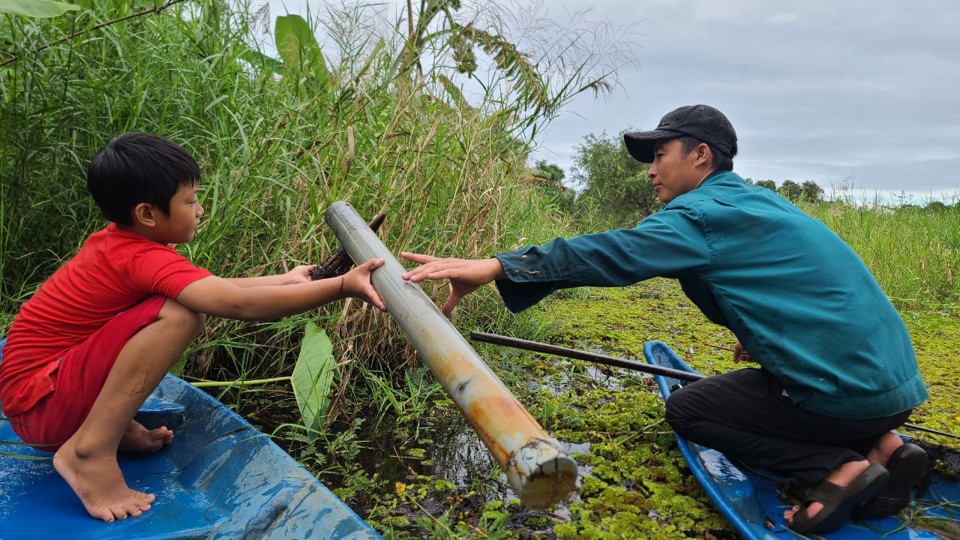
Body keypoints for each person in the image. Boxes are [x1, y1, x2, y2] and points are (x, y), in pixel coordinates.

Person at [400, 105, 929, 534]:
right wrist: (761, 339)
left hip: (846, 396)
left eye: (659, 155)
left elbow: (616, 253)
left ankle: (837, 469)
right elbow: (803, 294)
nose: (650, 170)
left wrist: (498, 266)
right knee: (755, 391)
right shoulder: (759, 204)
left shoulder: (701, 214)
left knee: (691, 410)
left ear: (700, 156)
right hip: (893, 389)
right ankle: (886, 445)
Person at [0, 132, 386, 523]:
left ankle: (110, 428)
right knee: (180, 314)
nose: (200, 209)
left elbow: (215, 288)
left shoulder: (123, 244)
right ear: (148, 214)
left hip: (38, 393)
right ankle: (91, 450)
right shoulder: (140, 257)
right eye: (190, 201)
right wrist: (340, 286)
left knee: (175, 305)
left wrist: (287, 279)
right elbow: (237, 304)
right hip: (42, 406)